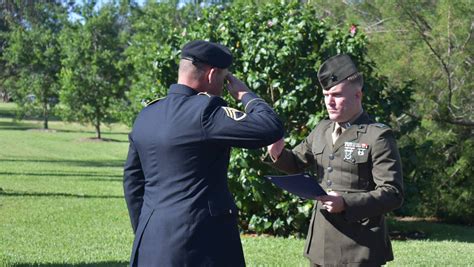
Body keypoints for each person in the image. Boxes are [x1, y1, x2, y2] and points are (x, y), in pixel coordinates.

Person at [123, 40, 284, 267]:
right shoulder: (206, 112)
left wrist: (145, 230)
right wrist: (245, 94)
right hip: (200, 245)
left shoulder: (146, 115)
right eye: (224, 78)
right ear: (211, 74)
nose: (222, 86)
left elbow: (133, 184)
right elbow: (270, 127)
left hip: (151, 243)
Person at [266, 54, 404, 266]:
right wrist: (277, 153)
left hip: (359, 246)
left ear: (358, 95)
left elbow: (393, 193)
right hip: (321, 243)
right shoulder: (321, 130)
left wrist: (345, 203)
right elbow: (295, 162)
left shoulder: (377, 136)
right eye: (325, 95)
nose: (329, 102)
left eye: (337, 95)